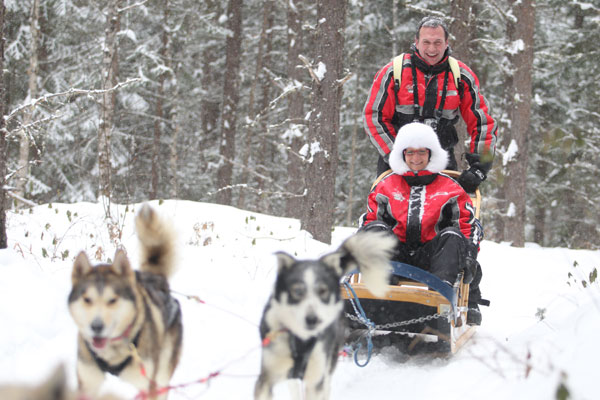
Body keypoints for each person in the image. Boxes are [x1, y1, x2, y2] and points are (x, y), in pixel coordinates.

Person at [359, 122, 485, 325]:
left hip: (434, 259)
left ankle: (439, 300)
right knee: (375, 231)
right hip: (394, 258)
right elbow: (371, 221)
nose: (416, 159)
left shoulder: (450, 188)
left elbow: (466, 227)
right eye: (409, 153)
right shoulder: (386, 185)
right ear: (402, 155)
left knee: (453, 236)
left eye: (421, 153)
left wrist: (469, 255)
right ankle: (379, 297)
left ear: (431, 154)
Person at [363, 16, 498, 193]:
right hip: (396, 163)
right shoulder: (393, 72)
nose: (432, 49)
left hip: (442, 160)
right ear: (416, 42)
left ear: (447, 42)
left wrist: (479, 167)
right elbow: (374, 117)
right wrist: (395, 154)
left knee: (445, 215)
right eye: (426, 42)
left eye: (437, 42)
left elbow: (483, 123)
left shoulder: (461, 76)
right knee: (390, 215)